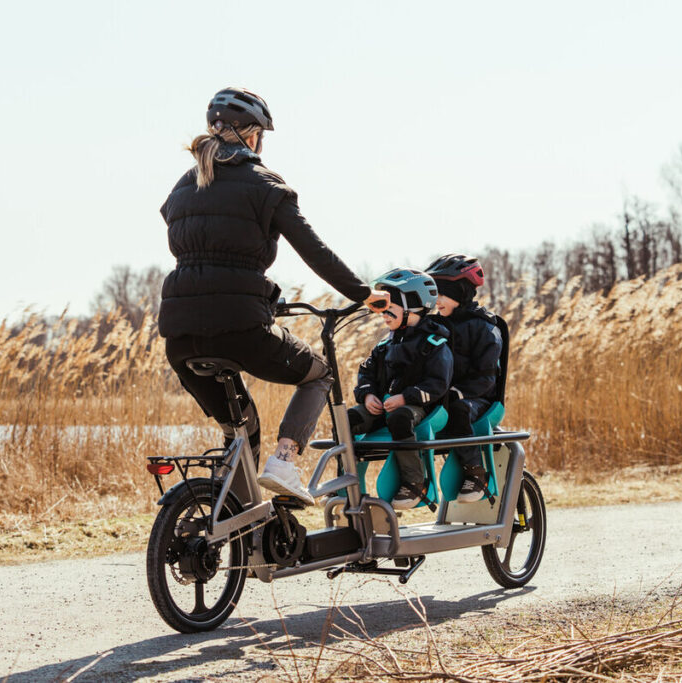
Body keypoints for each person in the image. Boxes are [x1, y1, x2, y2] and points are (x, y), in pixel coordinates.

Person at [158, 87, 389, 505]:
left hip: (179, 337)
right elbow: (313, 249)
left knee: (242, 430)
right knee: (318, 373)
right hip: (240, 326)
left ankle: (241, 519)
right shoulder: (264, 184)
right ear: (252, 136)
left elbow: (194, 244)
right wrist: (363, 293)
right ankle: (284, 462)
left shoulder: (183, 185)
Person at [348, 268, 453, 510]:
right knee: (348, 419)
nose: (383, 314)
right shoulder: (385, 344)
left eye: (389, 308)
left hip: (423, 408)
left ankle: (415, 482)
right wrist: (367, 395)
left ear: (413, 306)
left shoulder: (434, 343)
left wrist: (406, 397)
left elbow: (438, 384)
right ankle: (349, 485)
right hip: (383, 405)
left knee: (399, 418)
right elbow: (366, 371)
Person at [425, 254, 503, 503]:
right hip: (442, 396)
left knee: (457, 409)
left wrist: (458, 392)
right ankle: (414, 480)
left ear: (459, 292)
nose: (436, 301)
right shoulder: (435, 327)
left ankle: (476, 474)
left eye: (442, 294)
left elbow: (487, 378)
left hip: (477, 399)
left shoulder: (484, 327)